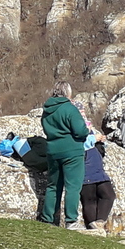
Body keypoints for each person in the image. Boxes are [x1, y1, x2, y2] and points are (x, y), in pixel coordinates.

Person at [39, 81, 92, 227]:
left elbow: (45, 128)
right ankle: (71, 220)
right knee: (73, 186)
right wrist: (86, 131)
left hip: (53, 150)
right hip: (72, 151)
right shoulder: (70, 109)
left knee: (53, 185)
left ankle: (48, 218)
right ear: (67, 93)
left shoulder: (47, 110)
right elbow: (80, 130)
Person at [79, 134, 117, 230]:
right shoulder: (73, 128)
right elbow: (78, 145)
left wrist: (100, 141)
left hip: (98, 170)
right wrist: (93, 138)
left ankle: (99, 222)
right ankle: (93, 227)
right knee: (89, 200)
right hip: (85, 169)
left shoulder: (85, 127)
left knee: (109, 195)